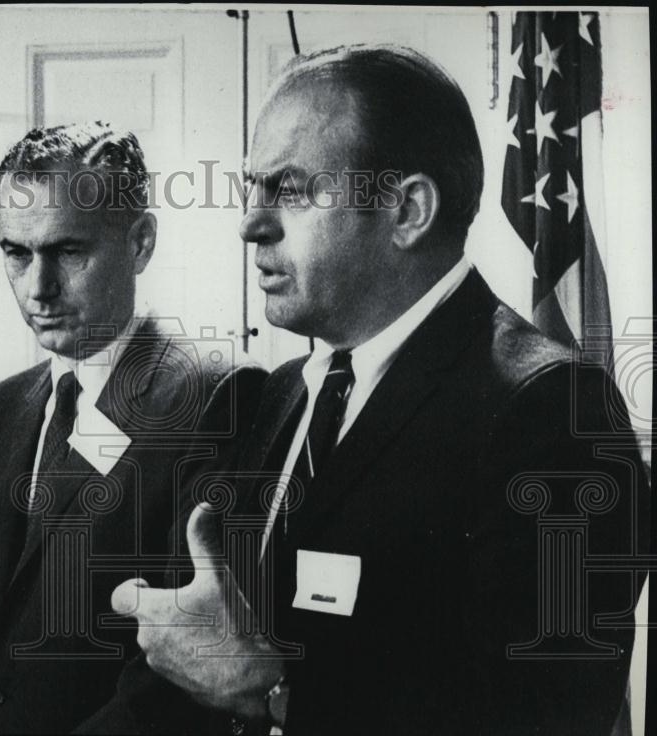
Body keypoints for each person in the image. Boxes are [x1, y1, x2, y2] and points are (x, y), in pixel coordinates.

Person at [108, 45, 650, 735]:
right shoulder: (275, 399)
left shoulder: (554, 412)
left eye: (293, 190)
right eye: (255, 188)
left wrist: (275, 688)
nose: (252, 222)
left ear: (409, 210)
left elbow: (547, 712)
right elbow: (186, 677)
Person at [0, 122, 262, 733]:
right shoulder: (1, 408)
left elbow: (177, 675)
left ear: (141, 243)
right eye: (16, 254)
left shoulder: (215, 395)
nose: (39, 289)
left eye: (69, 252)